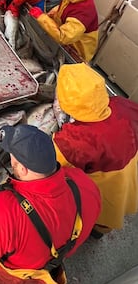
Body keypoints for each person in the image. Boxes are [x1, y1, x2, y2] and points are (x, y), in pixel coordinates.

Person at [0, 123, 101, 284]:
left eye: (12, 158)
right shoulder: (85, 185)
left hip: (12, 277)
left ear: (23, 169)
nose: (11, 161)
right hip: (48, 263)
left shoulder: (3, 211)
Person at [54, 63, 138, 237]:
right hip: (133, 177)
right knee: (121, 207)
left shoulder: (72, 141)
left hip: (107, 191)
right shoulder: (123, 104)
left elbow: (54, 167)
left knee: (104, 212)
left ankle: (96, 229)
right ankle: (102, 230)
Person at [28, 0, 99, 61]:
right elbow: (63, 8)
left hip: (77, 50)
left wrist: (42, 17)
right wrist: (51, 14)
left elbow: (63, 37)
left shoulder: (83, 13)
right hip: (66, 36)